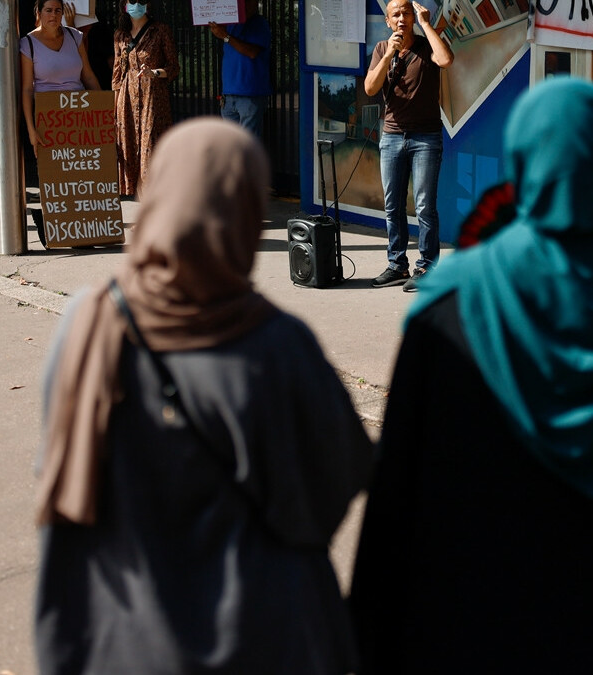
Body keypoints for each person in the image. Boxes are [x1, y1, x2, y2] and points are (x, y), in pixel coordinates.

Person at [348, 78, 593, 674]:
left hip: (472, 615)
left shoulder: (452, 299)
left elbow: (400, 476)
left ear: (521, 161)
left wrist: (370, 634)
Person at [34, 118, 373, 675]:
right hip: (265, 636)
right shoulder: (277, 345)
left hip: (124, 638)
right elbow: (331, 486)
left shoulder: (86, 324)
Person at [363, 0, 452, 292]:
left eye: (406, 13)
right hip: (391, 136)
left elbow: (445, 60)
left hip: (425, 137)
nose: (401, 18)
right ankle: (397, 265)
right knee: (393, 206)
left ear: (413, 17)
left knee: (424, 206)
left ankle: (427, 267)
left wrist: (427, 24)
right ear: (388, 21)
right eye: (396, 15)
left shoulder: (427, 46)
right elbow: (370, 88)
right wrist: (389, 54)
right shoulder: (382, 49)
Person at [21, 0, 100, 245]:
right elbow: (26, 89)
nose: (53, 15)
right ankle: (51, 224)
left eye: (57, 10)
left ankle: (81, 231)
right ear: (38, 13)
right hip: (48, 117)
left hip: (79, 114)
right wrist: (31, 129)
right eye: (48, 10)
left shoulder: (75, 36)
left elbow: (87, 75)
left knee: (81, 173)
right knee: (54, 176)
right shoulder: (28, 43)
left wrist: (104, 109)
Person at [111, 2, 178, 197]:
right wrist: (114, 111)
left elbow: (174, 67)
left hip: (153, 96)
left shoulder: (160, 30)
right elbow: (117, 74)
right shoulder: (120, 35)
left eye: (140, 0)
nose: (136, 5)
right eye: (132, 1)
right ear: (125, 5)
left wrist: (154, 72)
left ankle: (152, 202)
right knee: (130, 149)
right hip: (127, 98)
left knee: (151, 148)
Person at [207, 1, 270, 137]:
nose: (244, 5)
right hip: (229, 95)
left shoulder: (259, 23)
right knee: (232, 143)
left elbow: (252, 52)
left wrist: (226, 36)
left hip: (250, 94)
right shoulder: (232, 25)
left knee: (247, 143)